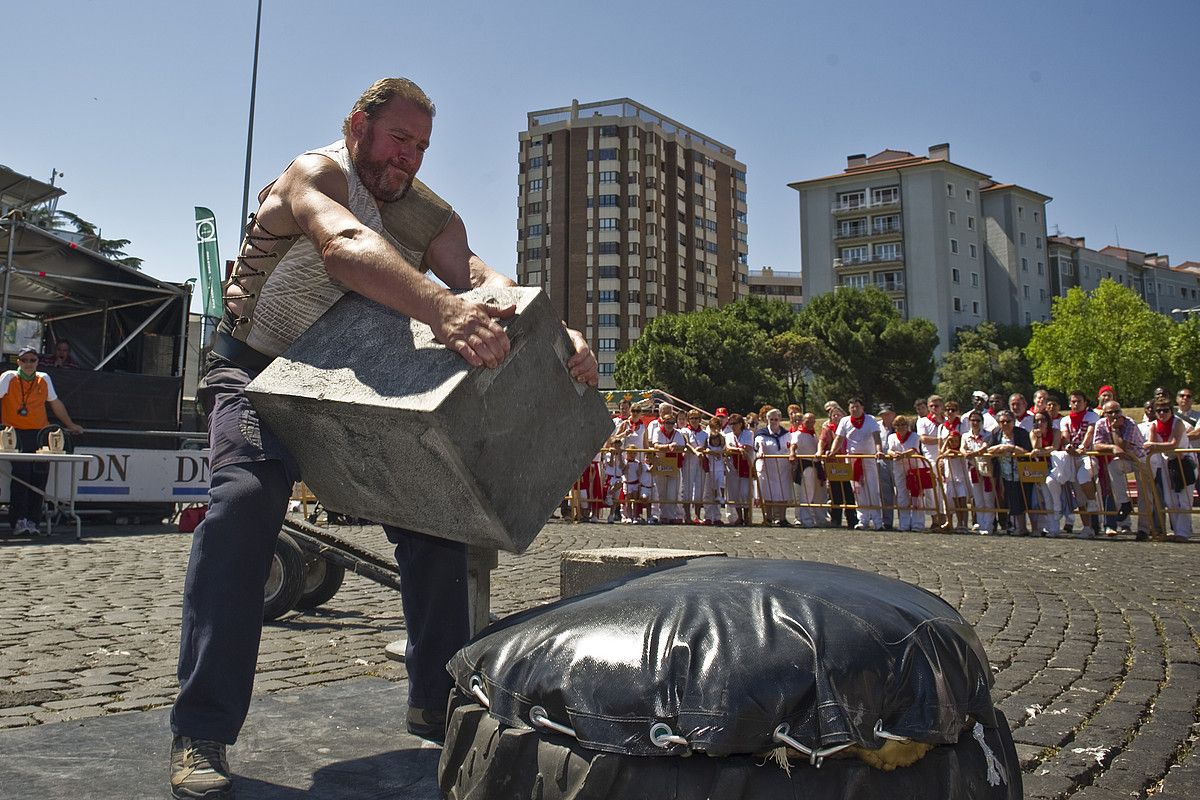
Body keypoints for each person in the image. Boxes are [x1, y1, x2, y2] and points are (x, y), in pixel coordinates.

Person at [168, 78, 598, 799]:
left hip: (342, 383)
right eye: (399, 139)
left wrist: (560, 335)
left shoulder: (430, 214)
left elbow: (483, 278)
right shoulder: (316, 174)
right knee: (242, 505)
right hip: (254, 371)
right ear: (357, 126)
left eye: (423, 147)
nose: (409, 160)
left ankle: (437, 703)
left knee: (435, 514)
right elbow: (342, 245)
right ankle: (201, 732)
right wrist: (438, 309)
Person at [0, 346, 84, 536]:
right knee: (22, 475)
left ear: (37, 362)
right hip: (14, 433)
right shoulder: (9, 377)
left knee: (40, 475)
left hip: (39, 433)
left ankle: (33, 521)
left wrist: (70, 424)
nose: (29, 364)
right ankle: (18, 521)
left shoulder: (44, 379)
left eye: (32, 360)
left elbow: (55, 403)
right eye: (25, 360)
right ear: (18, 362)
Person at [1093, 400, 1151, 538]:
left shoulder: (1129, 423)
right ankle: (1124, 502)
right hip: (1124, 459)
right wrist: (1111, 447)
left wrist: (1115, 429)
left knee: (1145, 494)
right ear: (1104, 414)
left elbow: (1122, 446)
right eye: (1110, 413)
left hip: (1139, 458)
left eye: (1117, 411)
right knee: (1113, 466)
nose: (1114, 415)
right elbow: (1096, 445)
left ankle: (1144, 529)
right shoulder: (1100, 424)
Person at [830, 398, 884, 530]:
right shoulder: (845, 421)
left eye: (857, 407)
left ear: (862, 408)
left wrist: (879, 451)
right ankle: (862, 519)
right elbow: (839, 438)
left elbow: (876, 437)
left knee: (872, 489)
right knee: (858, 491)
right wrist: (832, 452)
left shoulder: (870, 419)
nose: (855, 409)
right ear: (849, 409)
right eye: (852, 407)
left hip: (868, 458)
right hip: (853, 459)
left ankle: (878, 521)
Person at [1146, 400, 1193, 541]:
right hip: (1167, 463)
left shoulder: (1177, 423)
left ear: (1171, 411)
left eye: (1165, 410)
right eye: (1159, 411)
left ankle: (1183, 532)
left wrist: (1154, 445)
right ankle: (1177, 530)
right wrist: (1156, 446)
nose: (1162, 413)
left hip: (1184, 462)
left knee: (1184, 498)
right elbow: (1150, 446)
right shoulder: (1153, 425)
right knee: (1170, 499)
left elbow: (1173, 444)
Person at [1060, 390, 1101, 538]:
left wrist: (1082, 447)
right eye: (1073, 401)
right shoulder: (1065, 420)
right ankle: (1087, 527)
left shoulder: (1092, 416)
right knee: (1078, 494)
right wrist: (1068, 445)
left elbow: (1090, 432)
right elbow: (1064, 435)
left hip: (1088, 455)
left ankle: (1092, 501)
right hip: (1072, 457)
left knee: (1083, 476)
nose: (1076, 404)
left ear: (1085, 403)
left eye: (1079, 401)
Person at [988, 411, 1034, 535]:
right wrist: (1001, 448)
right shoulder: (996, 433)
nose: (1005, 424)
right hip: (1005, 472)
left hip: (1022, 471)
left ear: (1014, 421)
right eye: (1002, 421)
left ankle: (1025, 527)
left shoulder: (1021, 433)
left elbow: (1026, 450)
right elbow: (989, 449)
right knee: (1011, 499)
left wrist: (1009, 448)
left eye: (1008, 421)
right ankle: (1017, 527)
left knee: (1024, 498)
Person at [819, 401, 857, 529]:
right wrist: (820, 452)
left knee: (849, 492)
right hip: (834, 464)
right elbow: (822, 441)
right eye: (833, 415)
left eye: (838, 415)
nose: (836, 417)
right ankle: (836, 518)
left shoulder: (849, 426)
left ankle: (852, 518)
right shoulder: (827, 428)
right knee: (836, 492)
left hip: (848, 462)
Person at [886, 415, 924, 531]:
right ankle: (904, 523)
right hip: (899, 468)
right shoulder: (892, 437)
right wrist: (893, 454)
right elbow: (889, 449)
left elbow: (914, 449)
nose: (901, 427)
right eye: (898, 425)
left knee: (916, 495)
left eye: (903, 424)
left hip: (914, 467)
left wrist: (902, 455)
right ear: (894, 426)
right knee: (902, 495)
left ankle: (918, 524)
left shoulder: (914, 436)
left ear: (907, 426)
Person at [755, 408, 792, 526]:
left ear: (780, 419)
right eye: (771, 419)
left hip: (783, 467)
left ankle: (782, 518)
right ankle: (768, 517)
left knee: (783, 492)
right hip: (768, 467)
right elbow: (759, 444)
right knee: (768, 492)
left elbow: (790, 446)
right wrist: (760, 451)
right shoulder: (762, 434)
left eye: (776, 419)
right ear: (767, 420)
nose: (774, 422)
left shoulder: (786, 434)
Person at [961, 410, 995, 534]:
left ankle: (989, 524)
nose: (975, 423)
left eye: (977, 420)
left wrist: (972, 454)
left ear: (982, 422)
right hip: (973, 469)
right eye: (972, 420)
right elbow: (962, 448)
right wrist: (965, 453)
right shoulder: (965, 435)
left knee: (988, 497)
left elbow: (985, 447)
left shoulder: (988, 434)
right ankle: (981, 524)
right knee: (978, 498)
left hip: (986, 469)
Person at [916, 395, 946, 531]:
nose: (934, 408)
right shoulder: (923, 421)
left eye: (937, 406)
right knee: (931, 491)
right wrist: (941, 439)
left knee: (945, 490)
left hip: (946, 459)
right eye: (932, 406)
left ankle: (946, 519)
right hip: (930, 460)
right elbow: (923, 438)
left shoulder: (946, 421)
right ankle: (935, 519)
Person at [787, 411, 820, 527]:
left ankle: (810, 517)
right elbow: (793, 445)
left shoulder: (813, 434)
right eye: (807, 421)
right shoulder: (799, 434)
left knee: (811, 493)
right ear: (803, 422)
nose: (810, 423)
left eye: (812, 421)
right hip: (805, 465)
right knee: (805, 493)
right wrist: (792, 454)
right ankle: (805, 518)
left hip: (814, 465)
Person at [724, 413, 754, 525]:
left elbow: (747, 446)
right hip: (732, 467)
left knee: (745, 492)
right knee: (734, 492)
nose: (733, 426)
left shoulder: (748, 433)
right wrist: (738, 450)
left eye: (735, 424)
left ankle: (747, 516)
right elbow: (727, 448)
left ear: (741, 424)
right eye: (731, 424)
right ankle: (739, 517)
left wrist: (737, 449)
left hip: (745, 466)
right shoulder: (728, 436)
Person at [679, 409, 707, 524]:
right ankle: (687, 515)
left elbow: (706, 445)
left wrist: (703, 449)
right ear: (688, 420)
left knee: (699, 488)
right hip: (689, 461)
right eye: (692, 418)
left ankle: (697, 515)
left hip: (700, 462)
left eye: (696, 418)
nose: (694, 421)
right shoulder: (684, 431)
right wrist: (696, 451)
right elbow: (686, 443)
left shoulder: (705, 433)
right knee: (688, 488)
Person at [701, 414, 728, 525]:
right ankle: (708, 516)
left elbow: (725, 449)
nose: (715, 429)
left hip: (719, 467)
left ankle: (717, 516)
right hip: (709, 467)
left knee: (718, 491)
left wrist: (720, 453)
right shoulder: (707, 436)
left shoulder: (722, 437)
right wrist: (711, 452)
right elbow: (705, 449)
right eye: (713, 426)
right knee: (708, 492)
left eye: (717, 426)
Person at [876, 404, 897, 530]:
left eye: (888, 414)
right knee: (885, 492)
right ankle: (887, 520)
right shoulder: (877, 426)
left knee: (901, 492)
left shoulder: (899, 425)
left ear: (893, 414)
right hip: (882, 461)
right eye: (883, 414)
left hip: (897, 461)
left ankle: (905, 521)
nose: (885, 416)